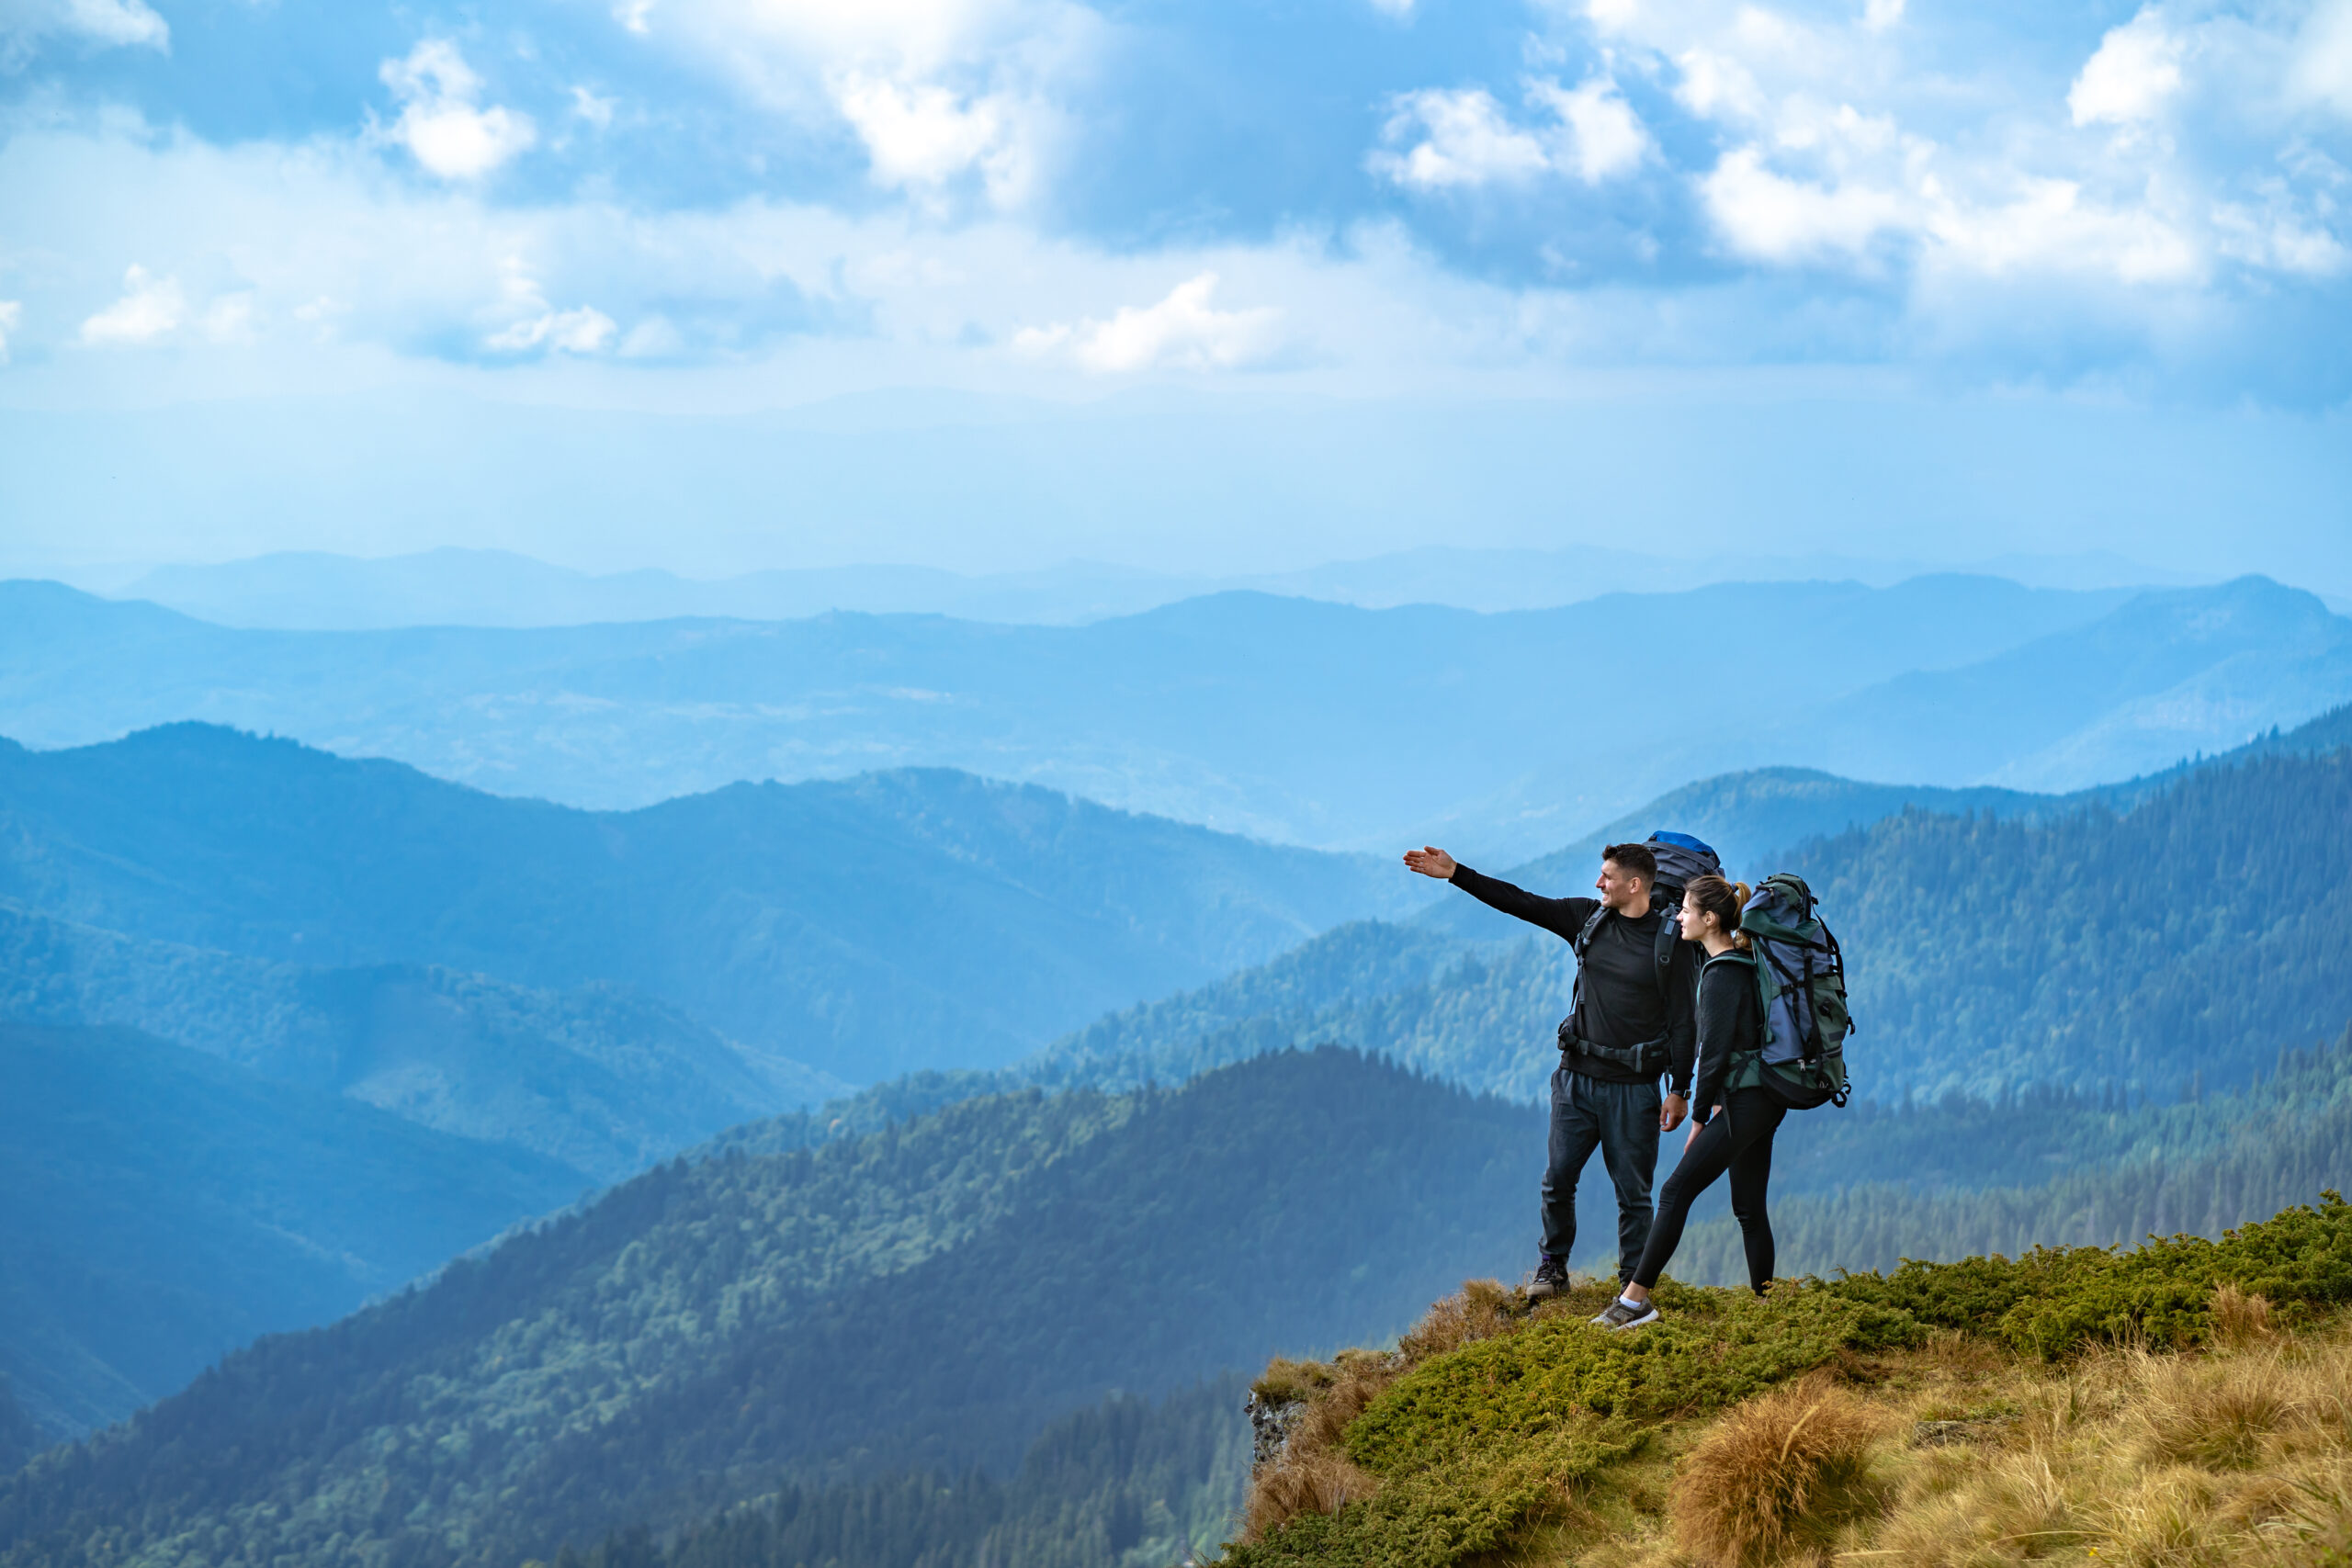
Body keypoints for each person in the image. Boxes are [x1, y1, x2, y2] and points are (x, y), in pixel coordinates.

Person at [1403, 840, 1698, 1300]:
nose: (1598, 883)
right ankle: (1552, 1267)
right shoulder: (1588, 919)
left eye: (1608, 877)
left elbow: (1685, 1022)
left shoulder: (1671, 944)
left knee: (1633, 1196)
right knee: (1558, 1179)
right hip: (1575, 1078)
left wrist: (1679, 1089)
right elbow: (1522, 902)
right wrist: (1456, 873)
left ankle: (1631, 1288)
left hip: (1634, 1088)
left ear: (1635, 885)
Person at [1592, 874, 1781, 1330]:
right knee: (1749, 1208)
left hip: (1746, 1102)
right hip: (1764, 1097)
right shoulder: (1743, 962)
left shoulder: (1720, 975)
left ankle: (1635, 1302)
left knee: (1675, 1191)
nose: (1677, 916)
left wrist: (1698, 1120)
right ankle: (1769, 1308)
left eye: (1685, 909)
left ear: (1709, 918)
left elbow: (1712, 1055)